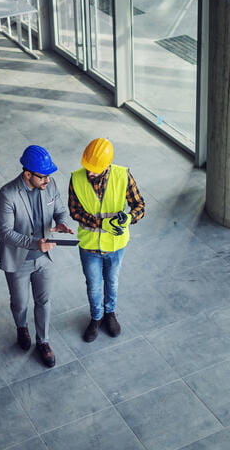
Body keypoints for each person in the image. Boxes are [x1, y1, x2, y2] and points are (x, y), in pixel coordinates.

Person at [0, 145, 74, 367]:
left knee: (44, 300)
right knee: (20, 303)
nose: (47, 181)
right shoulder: (6, 195)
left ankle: (43, 341)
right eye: (42, 176)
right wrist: (34, 243)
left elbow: (59, 209)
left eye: (49, 175)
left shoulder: (49, 185)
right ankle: (21, 327)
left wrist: (61, 223)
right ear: (27, 174)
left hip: (45, 259)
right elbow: (5, 233)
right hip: (19, 260)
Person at [69, 138, 145, 343]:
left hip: (116, 245)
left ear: (107, 165)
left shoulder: (122, 175)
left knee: (111, 281)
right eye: (87, 168)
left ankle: (110, 314)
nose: (90, 173)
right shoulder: (76, 178)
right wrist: (100, 223)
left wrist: (129, 218)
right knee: (93, 285)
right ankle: (96, 317)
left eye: (95, 170)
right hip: (89, 245)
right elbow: (74, 211)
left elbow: (139, 205)